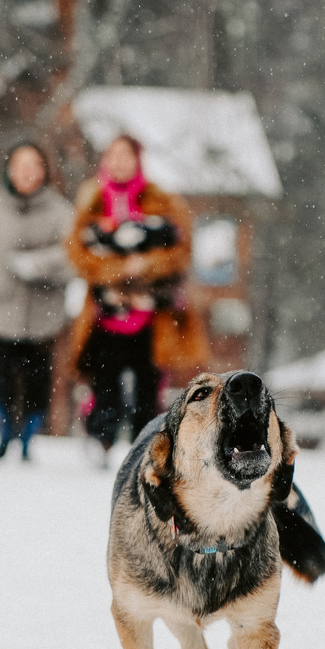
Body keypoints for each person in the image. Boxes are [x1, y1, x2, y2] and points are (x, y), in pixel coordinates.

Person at [66, 135, 209, 457]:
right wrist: (115, 269)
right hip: (104, 313)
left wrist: (145, 264)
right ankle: (100, 439)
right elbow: (76, 251)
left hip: (152, 315)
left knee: (149, 384)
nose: (119, 161)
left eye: (126, 155)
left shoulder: (164, 201)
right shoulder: (91, 201)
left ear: (138, 160)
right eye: (113, 154)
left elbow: (181, 251)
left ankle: (145, 446)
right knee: (104, 382)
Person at [0, 143, 74, 460]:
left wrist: (37, 265)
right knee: (1, 376)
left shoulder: (61, 211)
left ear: (45, 171)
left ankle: (29, 434)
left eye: (34, 164)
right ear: (9, 170)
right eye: (20, 164)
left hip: (43, 313)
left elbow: (73, 258)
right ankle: (6, 427)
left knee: (38, 379)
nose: (27, 171)